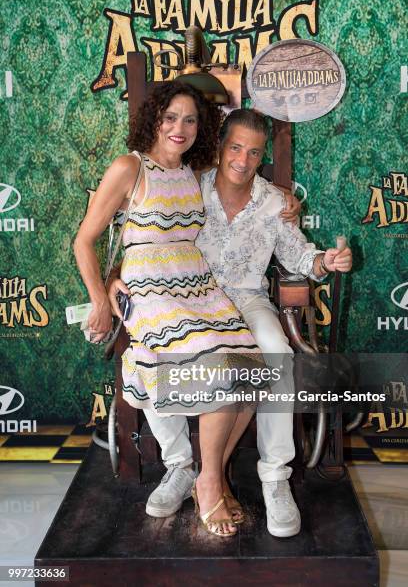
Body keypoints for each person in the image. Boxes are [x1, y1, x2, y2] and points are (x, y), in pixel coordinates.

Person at [108, 108, 353, 538]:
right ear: (220, 146)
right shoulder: (189, 185)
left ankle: (274, 477)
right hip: (190, 298)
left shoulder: (276, 202)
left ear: (262, 157)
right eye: (235, 147)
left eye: (254, 152)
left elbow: (298, 256)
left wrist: (323, 261)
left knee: (275, 356)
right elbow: (144, 233)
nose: (242, 159)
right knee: (155, 356)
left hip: (248, 298)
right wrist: (115, 280)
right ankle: (182, 467)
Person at [74, 82, 273, 538]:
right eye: (170, 117)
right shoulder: (130, 167)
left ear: (201, 129)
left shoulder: (194, 170)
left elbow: (242, 181)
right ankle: (206, 482)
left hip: (198, 284)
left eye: (190, 120)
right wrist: (104, 297)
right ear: (154, 119)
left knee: (252, 367)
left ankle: (207, 473)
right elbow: (84, 240)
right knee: (219, 365)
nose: (179, 128)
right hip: (150, 289)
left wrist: (288, 203)